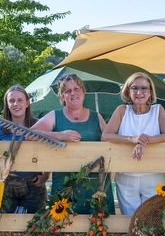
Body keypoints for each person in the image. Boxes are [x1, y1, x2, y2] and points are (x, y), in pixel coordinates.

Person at [30, 74, 114, 213]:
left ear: (83, 92)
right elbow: (30, 134)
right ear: (62, 96)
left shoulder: (97, 117)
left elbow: (110, 141)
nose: (73, 93)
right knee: (63, 225)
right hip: (65, 186)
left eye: (76, 89)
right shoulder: (54, 116)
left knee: (100, 225)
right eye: (68, 91)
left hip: (96, 186)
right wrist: (61, 135)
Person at [102, 72, 165, 215]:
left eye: (144, 88)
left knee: (153, 219)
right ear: (128, 91)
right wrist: (133, 139)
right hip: (126, 176)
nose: (139, 92)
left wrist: (145, 141)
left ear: (150, 92)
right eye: (134, 88)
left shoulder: (158, 110)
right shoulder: (122, 111)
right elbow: (105, 136)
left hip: (154, 175)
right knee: (130, 221)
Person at [0, 85, 48, 213]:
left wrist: (46, 175)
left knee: (33, 223)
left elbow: (48, 152)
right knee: (5, 223)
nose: (16, 104)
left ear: (27, 103)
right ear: (7, 104)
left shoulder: (39, 124)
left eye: (20, 100)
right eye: (11, 101)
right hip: (7, 183)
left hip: (34, 183)